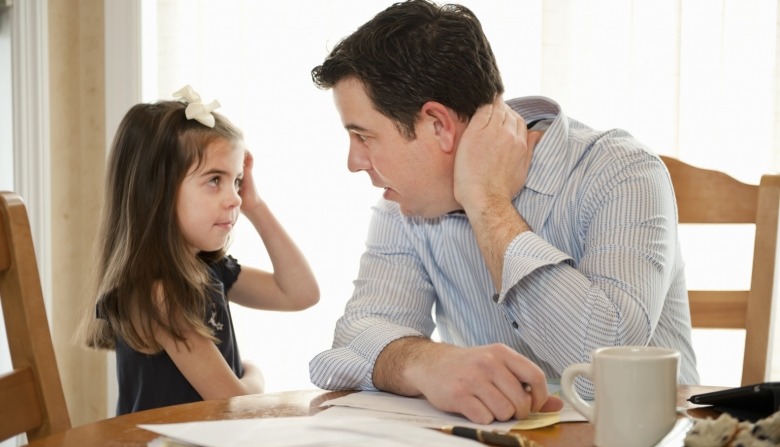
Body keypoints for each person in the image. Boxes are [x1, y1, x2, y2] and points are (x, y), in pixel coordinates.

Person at [308, 0, 699, 425]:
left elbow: (602, 374)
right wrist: (426, 362)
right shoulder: (405, 205)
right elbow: (351, 341)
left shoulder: (621, 172)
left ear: (437, 125)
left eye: (364, 136)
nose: (354, 161)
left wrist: (487, 202)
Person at [78, 85, 319, 415]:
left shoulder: (209, 269)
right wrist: (254, 375)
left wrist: (256, 205)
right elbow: (235, 404)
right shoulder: (158, 296)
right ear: (157, 193)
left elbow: (300, 293)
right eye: (214, 180)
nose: (234, 197)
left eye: (236, 181)